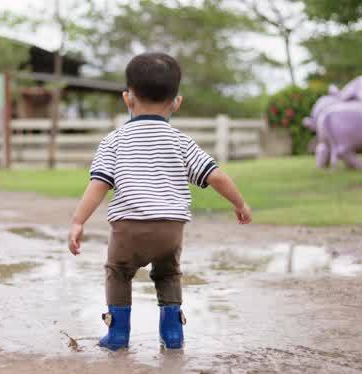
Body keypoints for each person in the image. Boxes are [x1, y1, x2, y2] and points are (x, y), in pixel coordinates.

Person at [67, 52, 253, 351]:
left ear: (128, 98)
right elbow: (215, 175)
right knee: (168, 274)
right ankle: (173, 333)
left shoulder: (114, 141)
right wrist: (240, 204)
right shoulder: (180, 141)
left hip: (129, 229)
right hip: (170, 229)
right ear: (176, 102)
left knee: (118, 272)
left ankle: (117, 334)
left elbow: (99, 184)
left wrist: (78, 221)